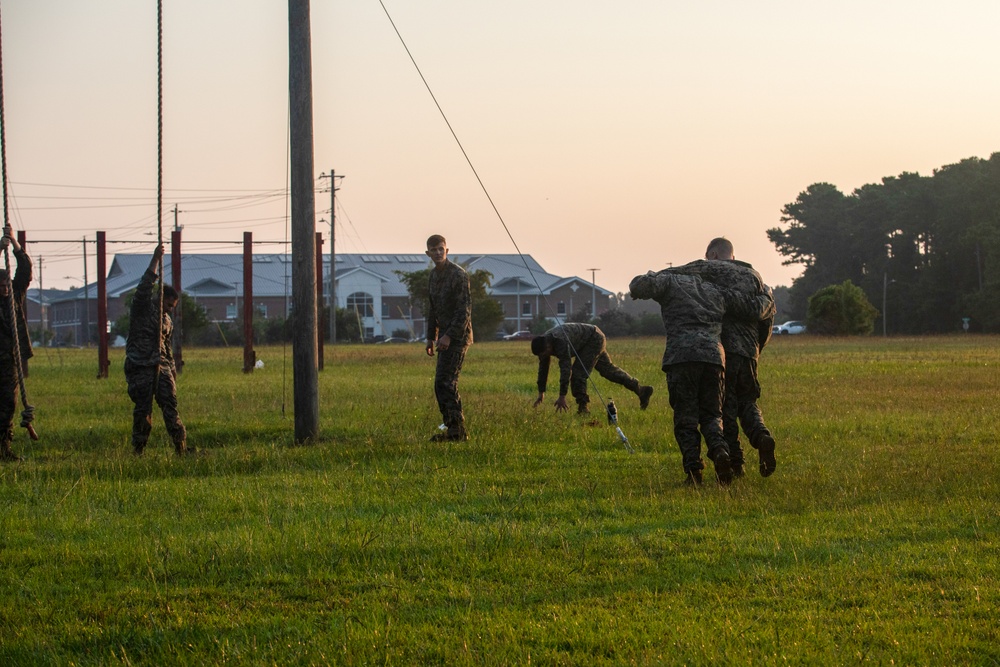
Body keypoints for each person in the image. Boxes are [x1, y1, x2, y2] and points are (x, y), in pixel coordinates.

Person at [629, 268, 773, 486]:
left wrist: (653, 274)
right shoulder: (717, 291)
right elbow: (750, 307)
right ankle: (720, 451)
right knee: (713, 415)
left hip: (682, 356)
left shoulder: (670, 281)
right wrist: (767, 296)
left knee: (686, 419)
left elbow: (638, 286)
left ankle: (694, 472)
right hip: (715, 358)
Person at [665, 237, 777, 477]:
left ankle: (735, 464)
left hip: (722, 352)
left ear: (713, 255)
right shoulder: (756, 278)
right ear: (734, 256)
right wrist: (757, 348)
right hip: (749, 352)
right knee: (748, 403)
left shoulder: (710, 271)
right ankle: (762, 435)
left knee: (724, 409)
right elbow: (766, 321)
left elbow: (676, 273)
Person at [125, 244, 188, 455]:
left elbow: (167, 347)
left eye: (173, 307)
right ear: (161, 299)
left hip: (160, 367)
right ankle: (138, 450)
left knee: (171, 406)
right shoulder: (142, 308)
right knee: (143, 410)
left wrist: (171, 370)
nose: (170, 310)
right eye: (169, 305)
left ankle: (181, 447)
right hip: (140, 365)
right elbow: (144, 286)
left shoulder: (167, 321)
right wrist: (155, 260)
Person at [531, 323, 653, 414]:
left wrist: (562, 396)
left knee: (578, 374)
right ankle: (641, 390)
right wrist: (541, 393)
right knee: (608, 371)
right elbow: (543, 369)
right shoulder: (543, 346)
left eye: (545, 353)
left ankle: (583, 408)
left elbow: (566, 370)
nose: (545, 356)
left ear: (547, 345)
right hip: (587, 340)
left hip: (593, 338)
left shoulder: (560, 342)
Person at [424, 234, 472, 441]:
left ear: (447, 250)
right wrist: (430, 337)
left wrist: (449, 337)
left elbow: (464, 310)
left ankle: (457, 431)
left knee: (446, 381)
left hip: (457, 337)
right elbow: (433, 309)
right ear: (428, 253)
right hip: (442, 336)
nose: (437, 253)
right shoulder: (433, 277)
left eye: (440, 249)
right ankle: (452, 427)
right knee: (440, 383)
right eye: (433, 250)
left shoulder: (458, 275)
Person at [0, 226, 33, 462]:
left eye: (5, 286)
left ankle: (4, 449)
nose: (3, 290)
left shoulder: (16, 293)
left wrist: (14, 244)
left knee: (7, 405)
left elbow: (25, 269)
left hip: (9, 361)